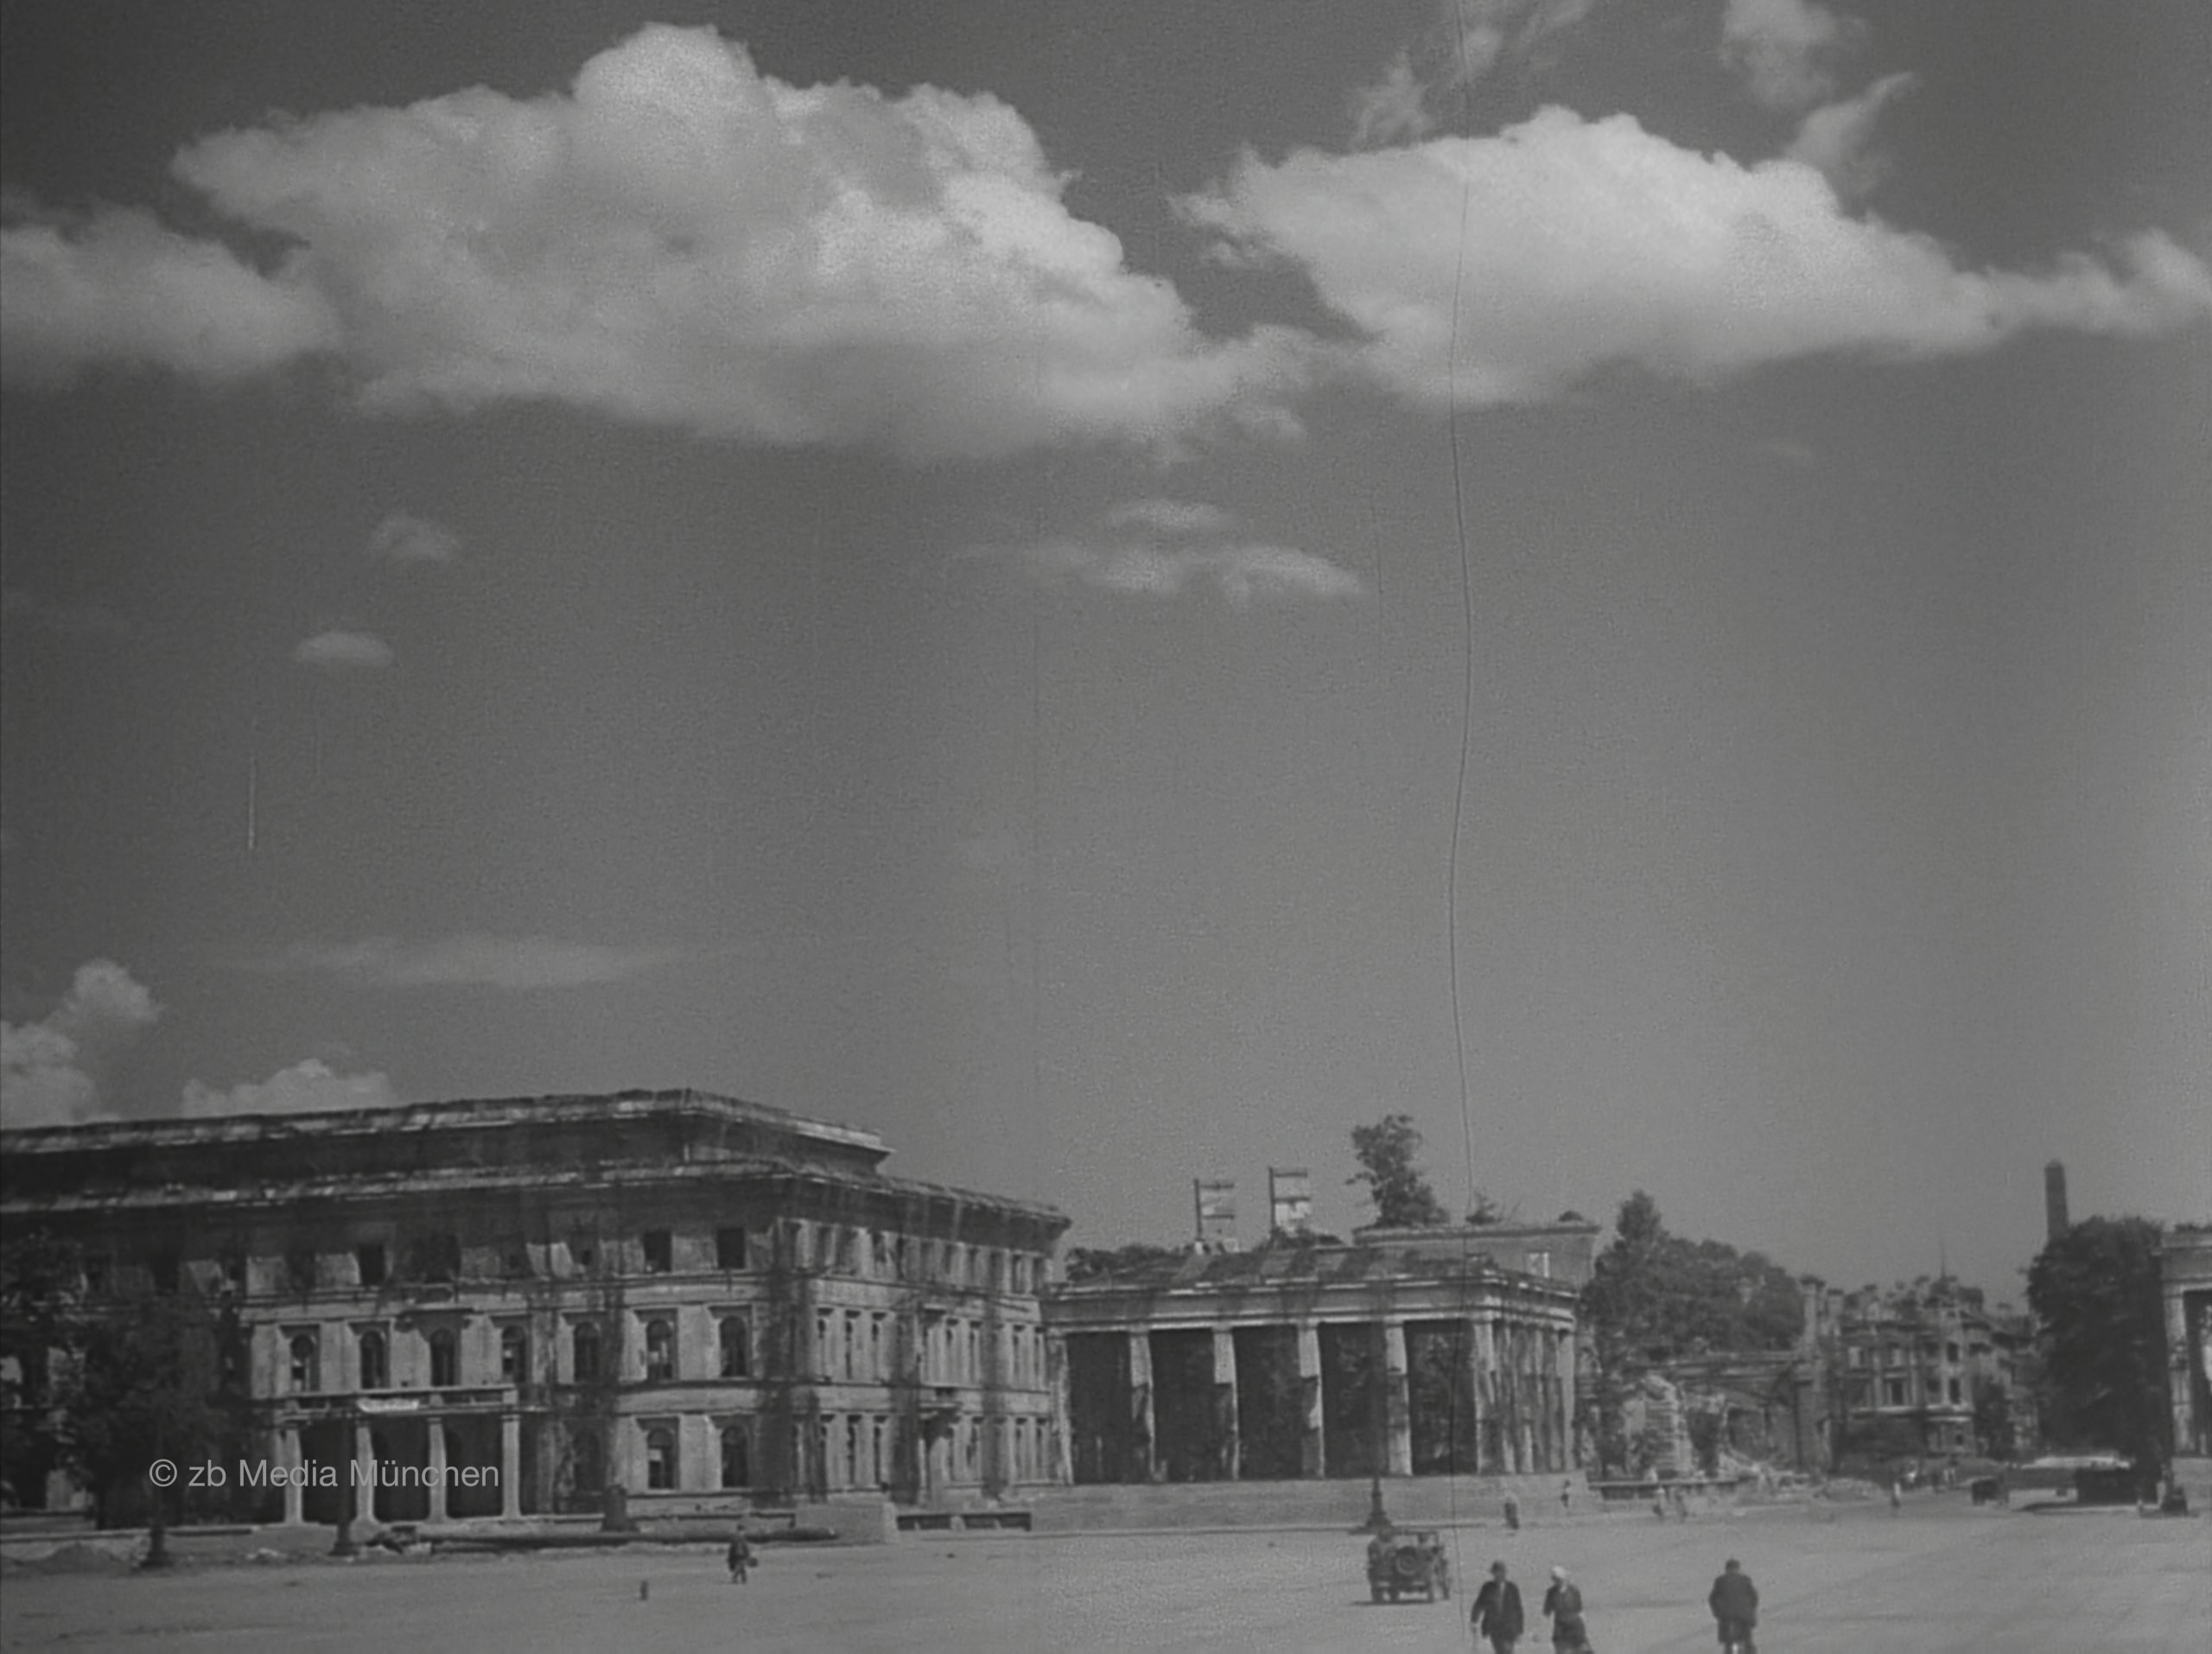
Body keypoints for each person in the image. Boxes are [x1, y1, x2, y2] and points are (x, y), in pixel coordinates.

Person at [1471, 1561, 1525, 1653]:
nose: (1498, 1576)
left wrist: (1520, 1630)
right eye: (1496, 1573)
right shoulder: (1487, 1588)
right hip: (1495, 1628)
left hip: (1510, 1628)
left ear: (1505, 1573)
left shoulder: (1512, 1588)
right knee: (1501, 1650)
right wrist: (1474, 1620)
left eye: (1500, 1573)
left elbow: (1518, 1610)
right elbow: (1479, 1604)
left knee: (1509, 1651)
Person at [1708, 1557, 1758, 1654]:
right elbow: (1754, 1598)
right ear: (1738, 1569)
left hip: (1726, 1616)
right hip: (1744, 1616)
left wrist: (1717, 1612)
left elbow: (1713, 1599)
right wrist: (1751, 1610)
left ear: (1726, 1569)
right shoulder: (1745, 1580)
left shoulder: (1720, 1581)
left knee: (1728, 1641)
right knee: (1747, 1641)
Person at [1541, 1565, 1589, 1653]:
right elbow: (1546, 1613)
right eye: (1555, 1579)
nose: (1557, 1581)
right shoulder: (1551, 1593)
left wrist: (1584, 1631)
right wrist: (1542, 1632)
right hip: (1560, 1630)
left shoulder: (1573, 1590)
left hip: (1576, 1628)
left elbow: (1580, 1610)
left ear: (1564, 1578)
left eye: (1559, 1578)